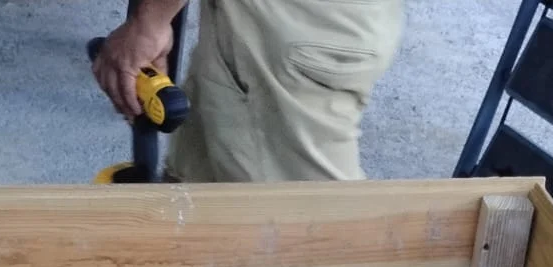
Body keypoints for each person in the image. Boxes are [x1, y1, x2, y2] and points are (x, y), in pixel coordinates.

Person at [91, 0, 404, 182]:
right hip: (270, 21)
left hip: (297, 27)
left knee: (308, 233)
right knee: (200, 193)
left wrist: (149, 21)